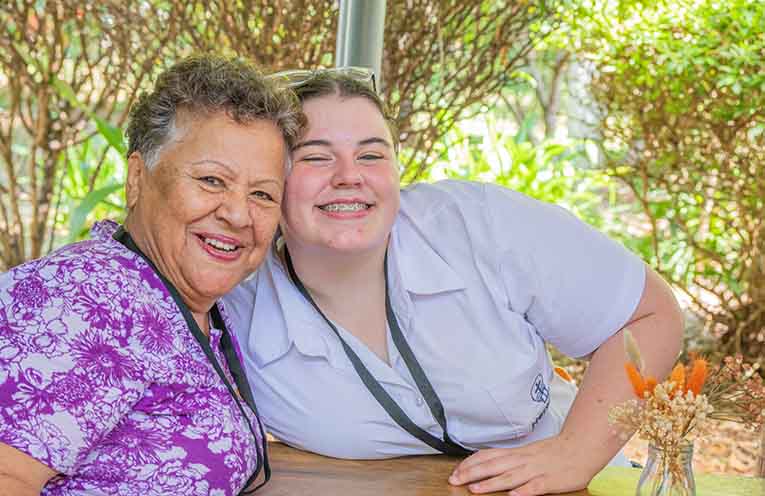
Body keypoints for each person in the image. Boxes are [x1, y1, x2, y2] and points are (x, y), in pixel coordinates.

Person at [223, 69, 683, 496]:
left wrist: (574, 453)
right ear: (272, 179)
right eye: (316, 157)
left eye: (371, 154)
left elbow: (650, 314)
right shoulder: (232, 301)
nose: (349, 176)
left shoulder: (476, 223)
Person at [0, 55, 303, 496]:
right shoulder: (86, 296)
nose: (239, 214)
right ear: (137, 178)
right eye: (212, 180)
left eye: (262, 194)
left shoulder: (187, 302)